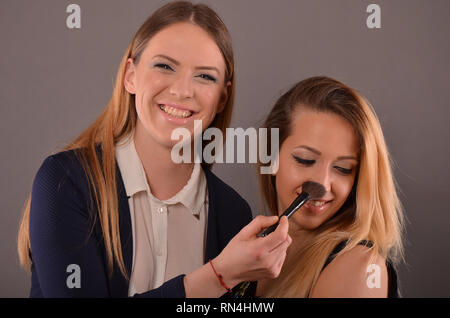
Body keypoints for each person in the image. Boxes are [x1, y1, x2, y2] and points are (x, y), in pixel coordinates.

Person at [17, 1, 291, 298]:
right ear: (130, 75)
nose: (182, 90)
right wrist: (218, 275)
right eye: (164, 66)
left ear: (221, 99)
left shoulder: (233, 213)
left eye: (205, 76)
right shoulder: (65, 181)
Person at [233, 76, 405, 298]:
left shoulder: (359, 266)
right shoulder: (249, 251)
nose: (322, 184)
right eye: (305, 160)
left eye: (343, 168)